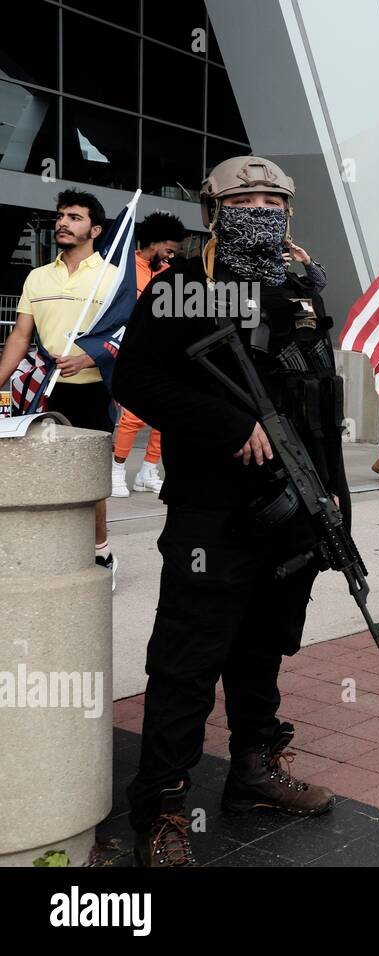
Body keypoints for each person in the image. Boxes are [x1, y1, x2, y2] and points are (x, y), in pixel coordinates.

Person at [113, 156, 345, 866]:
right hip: (212, 514)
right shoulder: (185, 286)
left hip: (293, 509)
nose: (262, 209)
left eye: (274, 199)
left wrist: (334, 498)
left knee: (262, 650)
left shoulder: (300, 285)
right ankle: (163, 810)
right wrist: (227, 424)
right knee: (187, 662)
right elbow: (135, 377)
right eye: (245, 199)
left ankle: (252, 770)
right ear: (216, 209)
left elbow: (320, 401)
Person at [0, 190, 119, 587]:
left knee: (89, 476)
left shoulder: (114, 277)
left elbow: (126, 336)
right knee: (40, 470)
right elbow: (20, 337)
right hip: (42, 390)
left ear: (95, 229)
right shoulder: (37, 276)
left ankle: (101, 550)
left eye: (74, 216)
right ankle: (50, 546)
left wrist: (89, 358)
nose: (63, 223)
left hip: (92, 389)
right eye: (60, 216)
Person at [112, 212, 187, 497]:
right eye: (168, 250)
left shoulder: (169, 272)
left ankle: (148, 471)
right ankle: (117, 469)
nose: (171, 256)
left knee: (163, 416)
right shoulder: (123, 267)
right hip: (131, 351)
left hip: (163, 352)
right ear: (154, 243)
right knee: (133, 415)